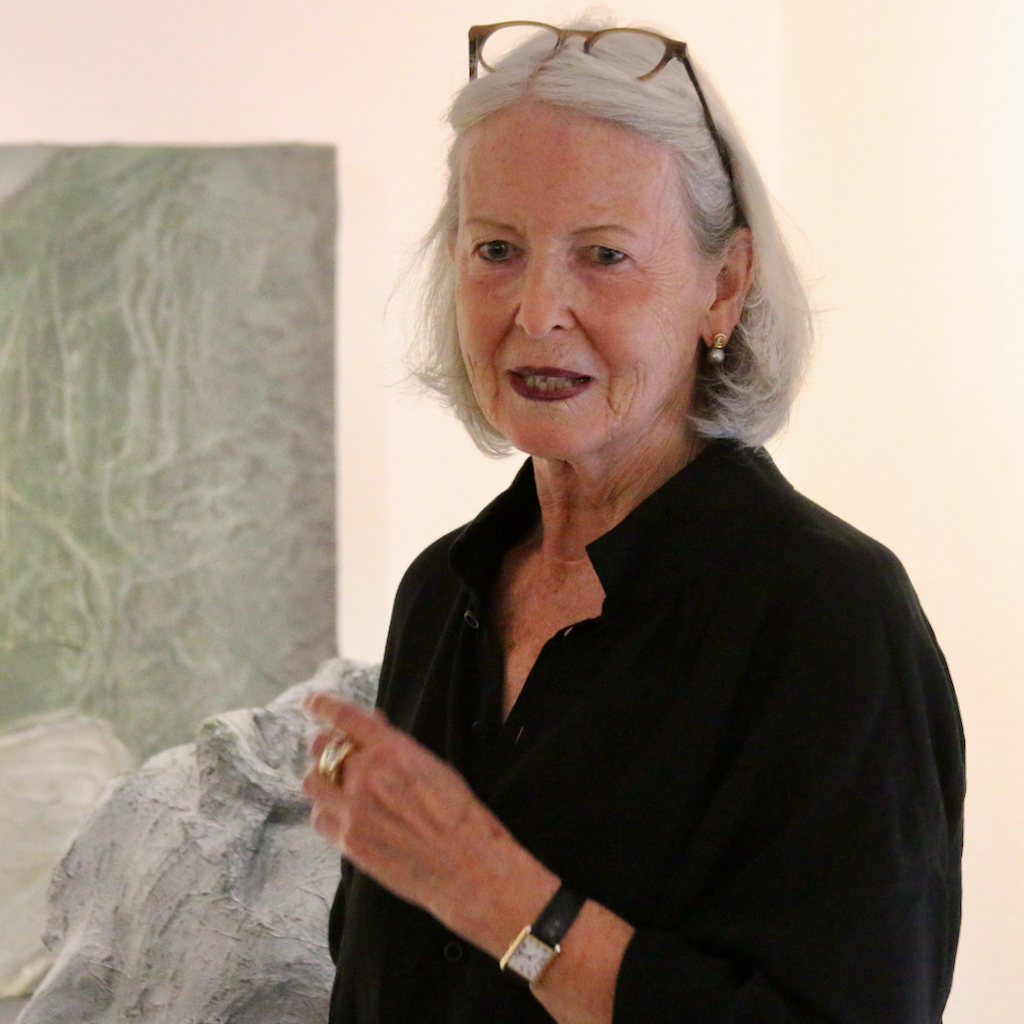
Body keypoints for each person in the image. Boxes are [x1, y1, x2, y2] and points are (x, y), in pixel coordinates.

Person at [302, 21, 964, 1024]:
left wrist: (497, 896)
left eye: (603, 254)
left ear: (724, 287)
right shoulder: (441, 592)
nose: (536, 312)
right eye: (496, 250)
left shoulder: (828, 613)